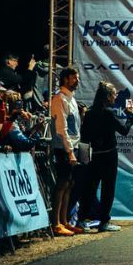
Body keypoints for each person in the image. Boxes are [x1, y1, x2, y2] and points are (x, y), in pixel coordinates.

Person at [81, 81, 133, 232]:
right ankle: (104, 221)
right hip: (109, 155)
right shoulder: (109, 113)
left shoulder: (89, 113)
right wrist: (131, 116)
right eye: (114, 94)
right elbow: (124, 130)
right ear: (108, 96)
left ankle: (82, 219)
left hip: (94, 155)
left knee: (90, 188)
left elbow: (85, 136)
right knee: (108, 189)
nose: (116, 96)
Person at [49, 66, 82, 236]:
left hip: (72, 147)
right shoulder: (59, 99)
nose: (77, 81)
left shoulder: (71, 99)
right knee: (62, 183)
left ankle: (65, 221)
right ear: (65, 79)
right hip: (63, 147)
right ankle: (56, 223)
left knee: (69, 183)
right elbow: (61, 128)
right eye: (74, 78)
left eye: (77, 78)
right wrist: (69, 151)